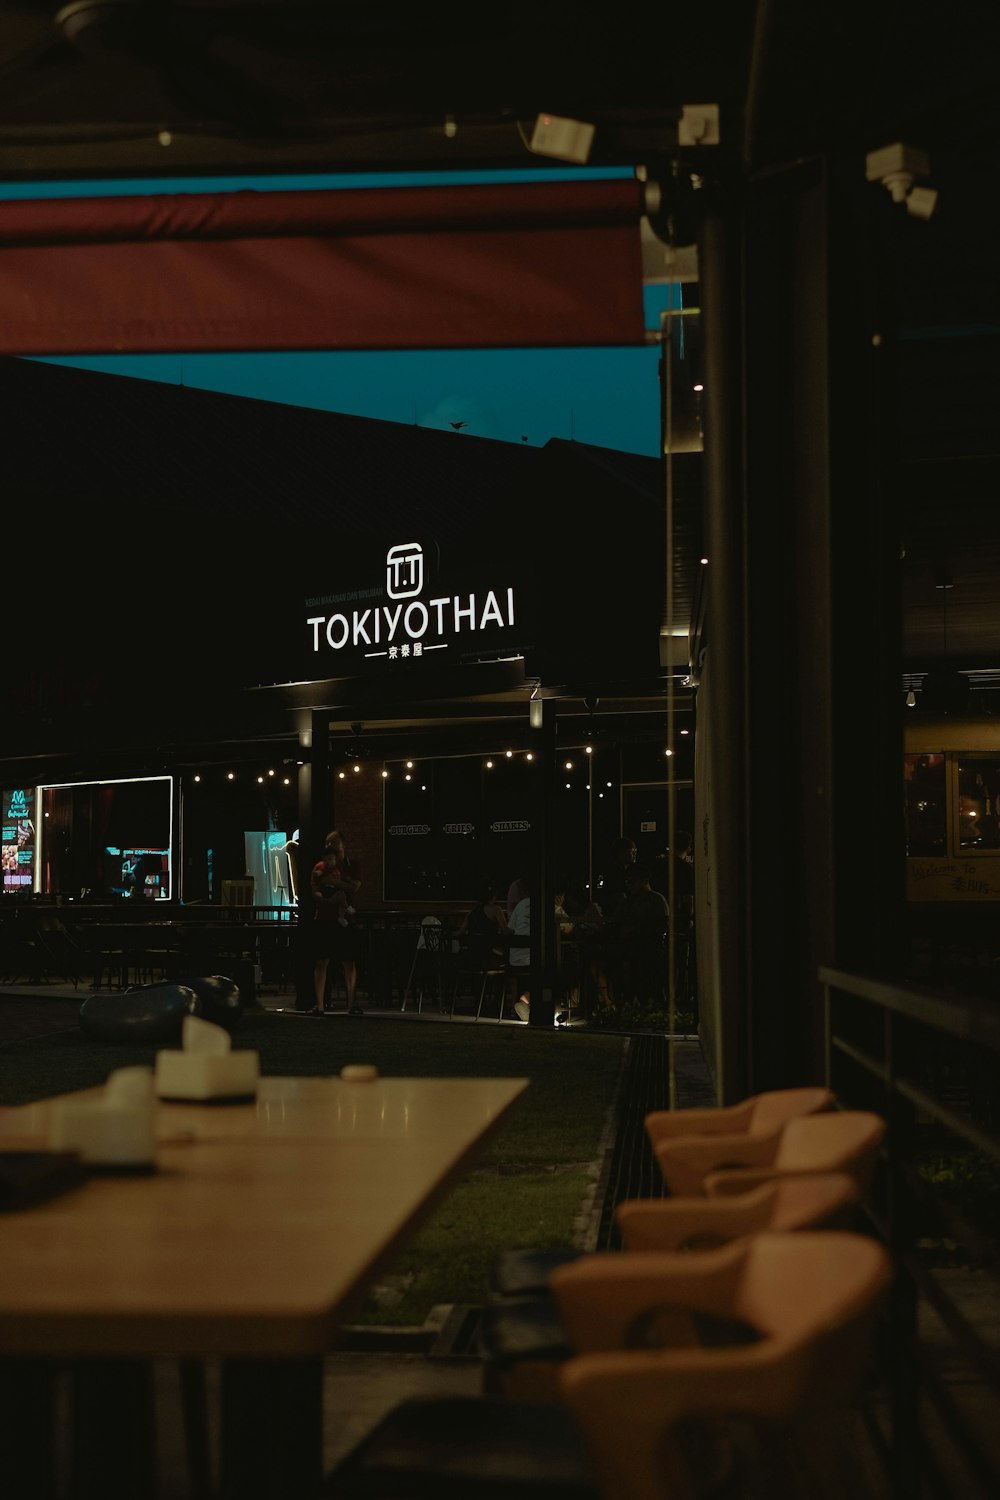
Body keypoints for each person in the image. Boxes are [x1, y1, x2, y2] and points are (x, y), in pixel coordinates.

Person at [309, 829, 363, 1015]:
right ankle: (320, 1005)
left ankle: (351, 1004)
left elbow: (355, 888)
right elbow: (314, 889)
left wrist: (334, 884)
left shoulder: (350, 865)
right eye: (326, 843)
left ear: (341, 843)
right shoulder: (320, 867)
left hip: (345, 920)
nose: (327, 846)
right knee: (321, 961)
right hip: (324, 917)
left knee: (349, 962)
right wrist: (329, 898)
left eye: (331, 842)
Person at [606, 864, 670, 1006]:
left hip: (648, 947)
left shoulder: (656, 900)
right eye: (628, 882)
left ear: (644, 881)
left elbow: (660, 926)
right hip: (633, 948)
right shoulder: (629, 902)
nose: (629, 885)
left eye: (633, 881)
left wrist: (633, 930)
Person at [507, 877, 531, 1021]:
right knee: (551, 970)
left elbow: (510, 929)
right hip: (532, 959)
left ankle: (514, 1005)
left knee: (513, 972)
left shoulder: (520, 905)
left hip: (514, 959)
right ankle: (525, 999)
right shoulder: (548, 906)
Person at [595, 835, 637, 916]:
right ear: (621, 853)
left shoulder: (631, 871)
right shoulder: (610, 873)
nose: (634, 855)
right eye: (632, 852)